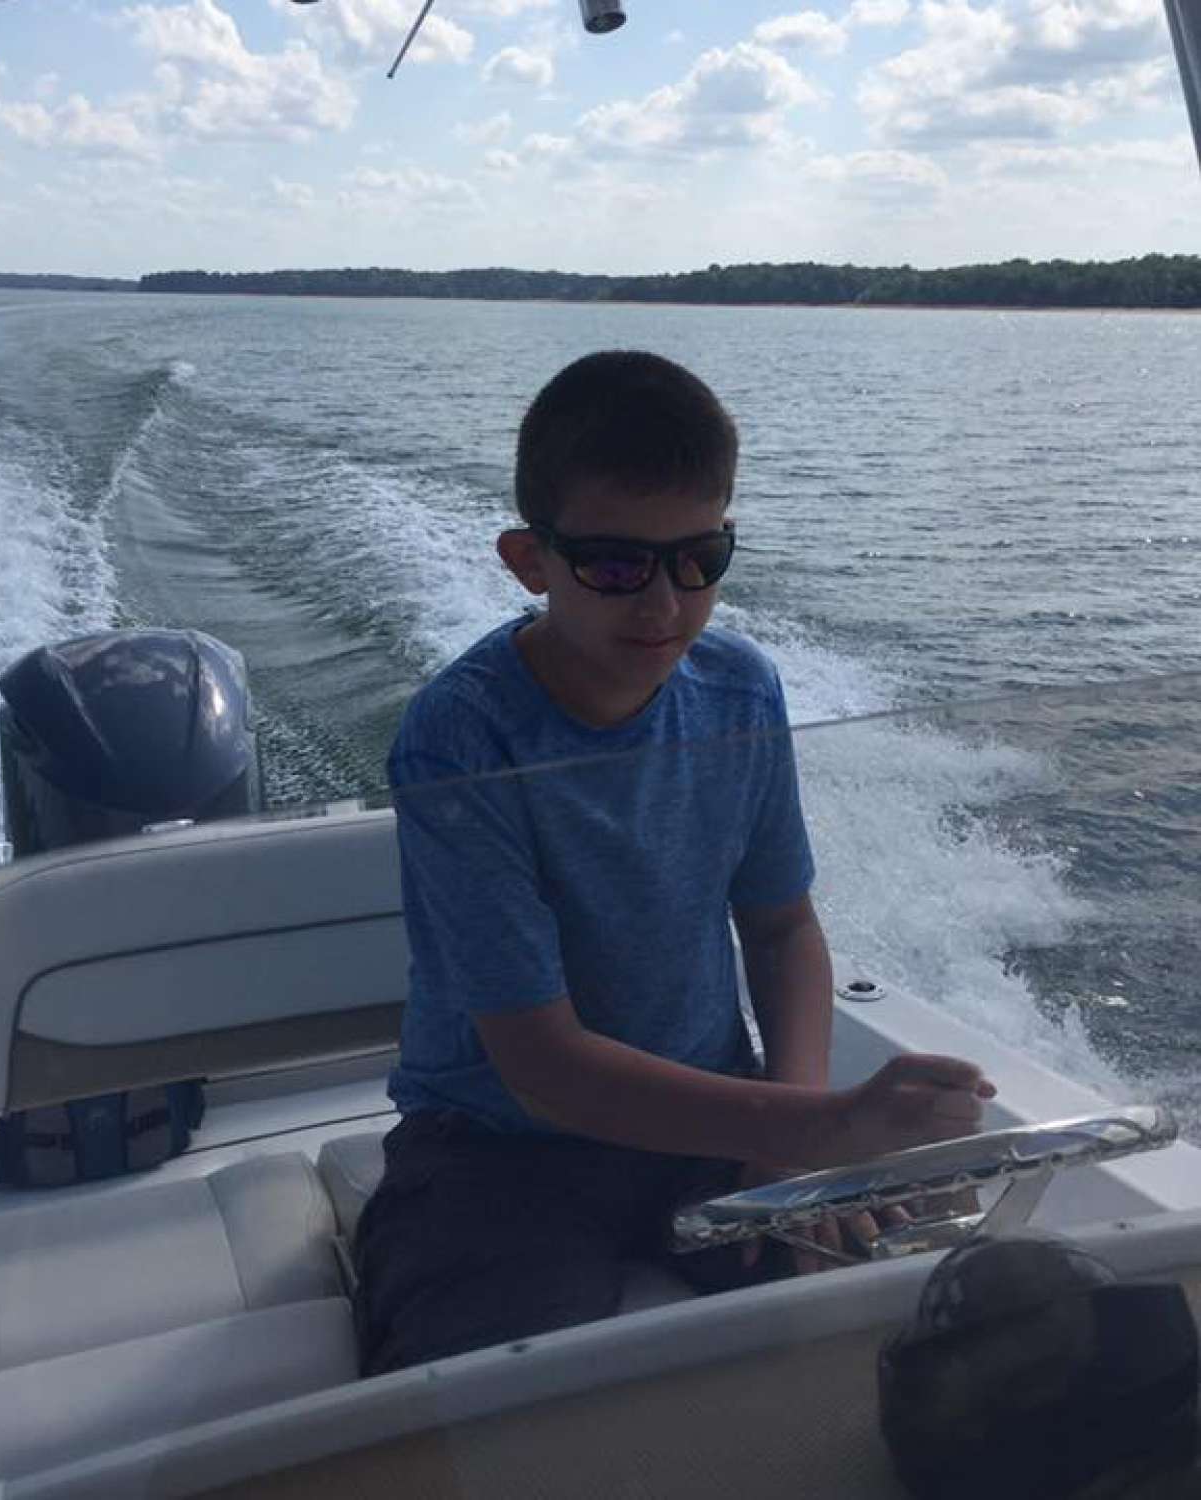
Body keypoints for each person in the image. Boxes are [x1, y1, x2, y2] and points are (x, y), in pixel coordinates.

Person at [352, 349, 995, 1378]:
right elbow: (542, 1066)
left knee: (922, 1332)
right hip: (501, 1147)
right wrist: (823, 1119)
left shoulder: (739, 691)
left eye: (700, 559)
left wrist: (785, 1143)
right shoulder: (461, 740)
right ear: (528, 559)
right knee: (495, 1407)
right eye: (615, 565)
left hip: (717, 1108)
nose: (663, 603)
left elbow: (782, 929)